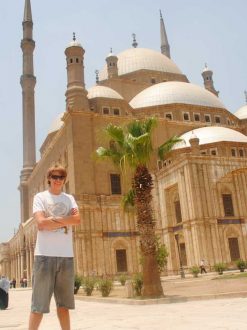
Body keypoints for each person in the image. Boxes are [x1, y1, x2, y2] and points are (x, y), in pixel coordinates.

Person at [28, 164, 80, 330]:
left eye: (61, 177)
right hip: (44, 257)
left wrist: (52, 221)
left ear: (64, 180)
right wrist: (66, 219)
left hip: (66, 257)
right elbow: (41, 223)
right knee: (38, 307)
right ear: (49, 178)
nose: (58, 180)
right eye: (54, 177)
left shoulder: (69, 198)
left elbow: (77, 220)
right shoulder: (40, 197)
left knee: (64, 306)